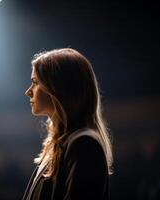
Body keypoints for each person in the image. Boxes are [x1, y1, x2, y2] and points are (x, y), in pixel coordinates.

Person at [23, 48, 113, 200]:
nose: (28, 91)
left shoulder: (84, 144)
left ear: (58, 87)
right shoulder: (61, 144)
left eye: (35, 82)